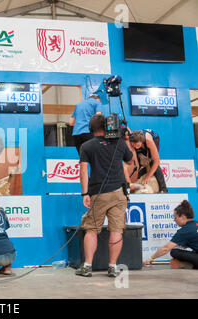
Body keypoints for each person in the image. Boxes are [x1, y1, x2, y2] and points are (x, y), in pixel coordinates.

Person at [76, 114, 133, 278]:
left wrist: (85, 193)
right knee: (116, 230)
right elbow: (130, 162)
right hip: (119, 193)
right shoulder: (119, 143)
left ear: (91, 129)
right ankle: (113, 267)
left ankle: (87, 266)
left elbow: (83, 171)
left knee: (91, 230)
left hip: (98, 193)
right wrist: (126, 139)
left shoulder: (86, 146)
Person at [143, 200, 198, 269]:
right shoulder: (195, 224)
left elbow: (165, 249)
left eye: (175, 217)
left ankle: (187, 264)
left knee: (174, 252)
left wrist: (151, 259)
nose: (174, 220)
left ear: (183, 217)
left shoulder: (185, 231)